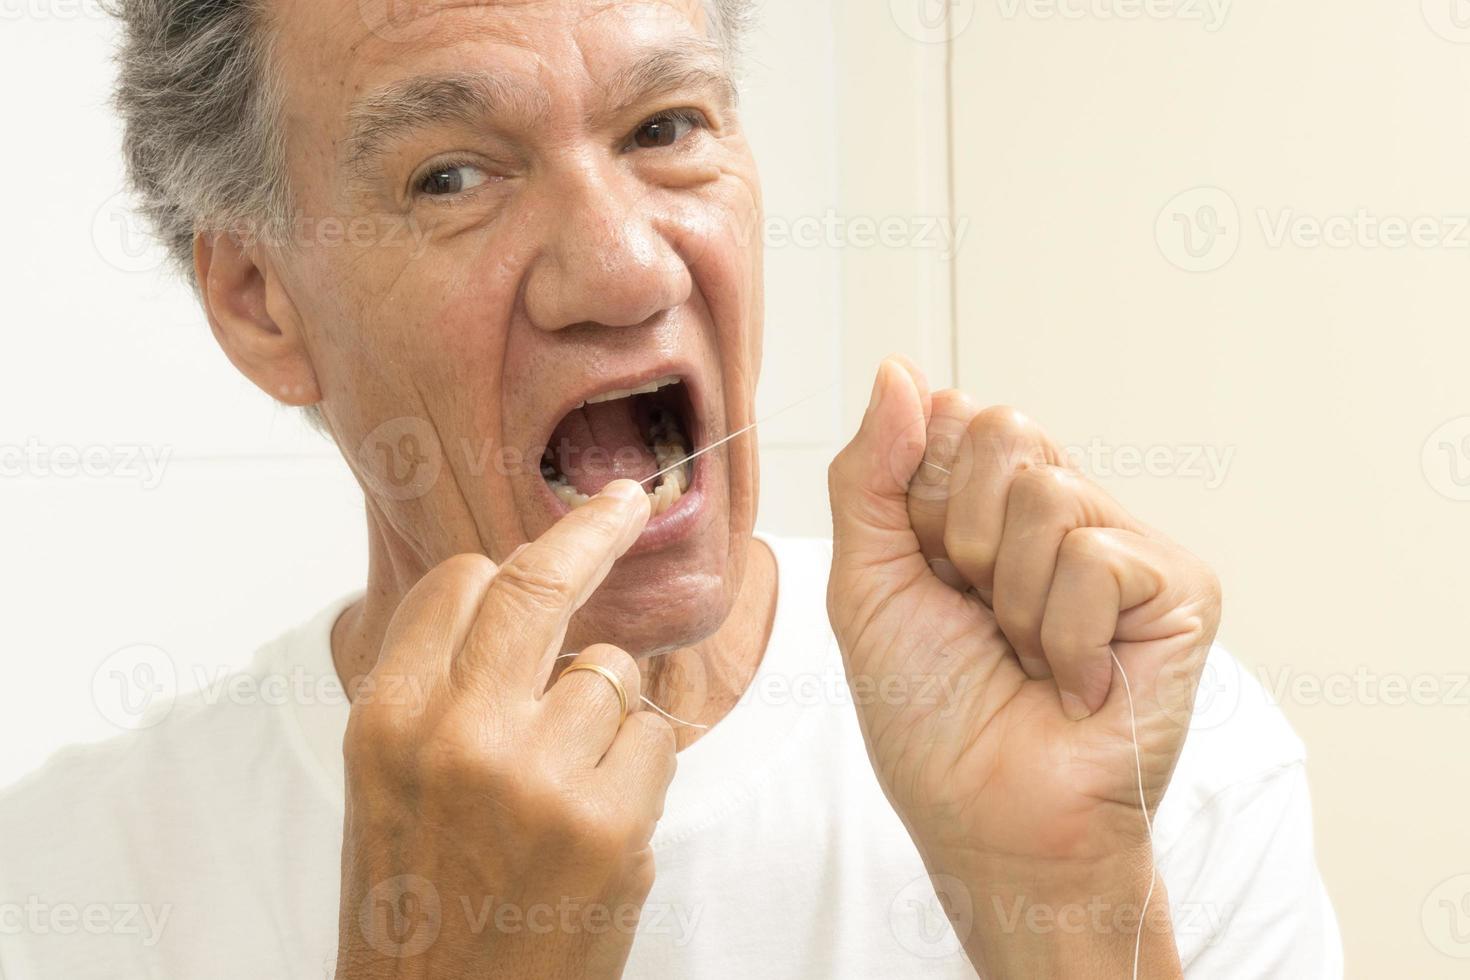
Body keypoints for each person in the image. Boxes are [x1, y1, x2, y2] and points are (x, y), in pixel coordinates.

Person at [0, 0, 1341, 976]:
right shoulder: (62, 889)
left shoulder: (1135, 749)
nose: (627, 268)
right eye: (452, 174)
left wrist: (1060, 919)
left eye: (665, 125)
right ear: (259, 302)